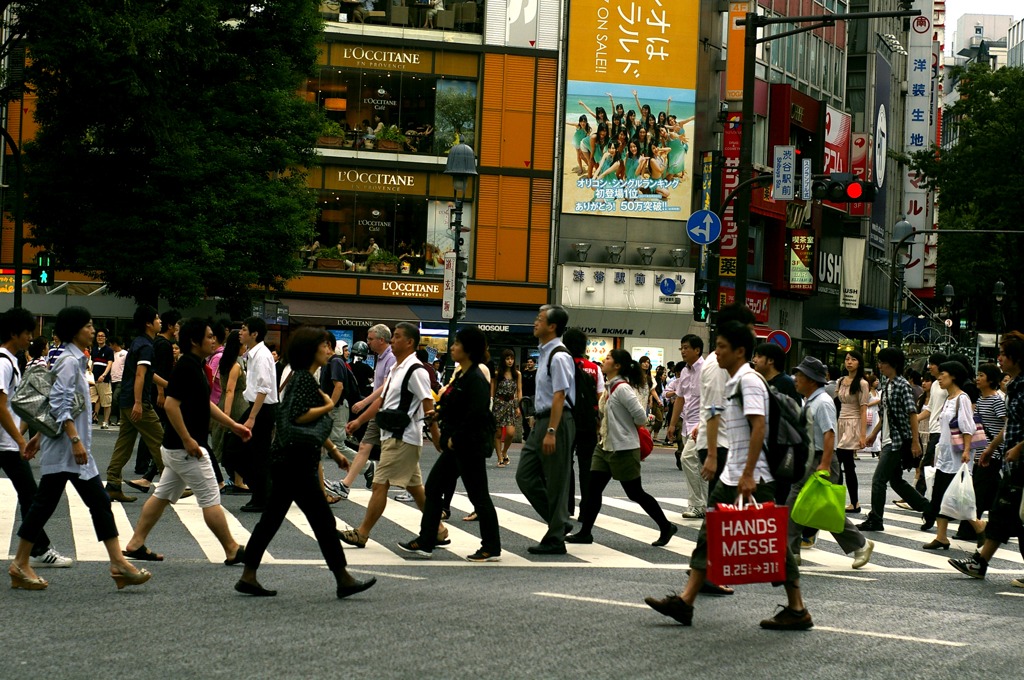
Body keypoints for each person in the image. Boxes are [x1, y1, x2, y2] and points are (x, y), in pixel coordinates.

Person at [645, 321, 811, 629]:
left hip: (753, 476)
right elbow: (721, 418)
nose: (716, 352)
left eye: (722, 347)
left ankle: (798, 608)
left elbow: (758, 426)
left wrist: (748, 474)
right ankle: (686, 601)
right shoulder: (735, 380)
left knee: (771, 541)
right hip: (733, 473)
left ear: (740, 351)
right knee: (709, 535)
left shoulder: (748, 380)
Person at [8, 307, 151, 591]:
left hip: (70, 450)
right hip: (68, 452)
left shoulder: (75, 359)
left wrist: (40, 438)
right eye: (88, 325)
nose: (92, 329)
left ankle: (118, 563)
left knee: (91, 503)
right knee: (46, 506)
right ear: (75, 330)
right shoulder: (69, 362)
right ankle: (21, 563)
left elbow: (58, 405)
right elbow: (60, 402)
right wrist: (73, 440)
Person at [236, 326, 376, 599]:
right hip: (296, 463)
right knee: (321, 521)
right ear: (311, 350)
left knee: (273, 520)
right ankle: (343, 578)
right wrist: (326, 406)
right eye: (325, 345)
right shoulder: (303, 380)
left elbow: (299, 420)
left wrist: (334, 451)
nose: (329, 350)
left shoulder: (304, 377)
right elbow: (298, 418)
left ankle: (248, 574)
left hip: (290, 461)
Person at [120, 319, 253, 563]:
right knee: (211, 499)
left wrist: (233, 425)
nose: (214, 340)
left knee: (161, 496)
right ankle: (232, 549)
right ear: (195, 341)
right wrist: (188, 439)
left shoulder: (196, 365)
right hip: (186, 450)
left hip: (176, 450)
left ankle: (136, 543)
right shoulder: (187, 367)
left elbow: (205, 404)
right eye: (210, 336)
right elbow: (171, 405)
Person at [398, 327, 502, 561]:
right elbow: (453, 404)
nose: (452, 347)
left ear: (468, 349)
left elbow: (476, 414)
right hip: (456, 446)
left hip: (468, 446)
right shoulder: (462, 375)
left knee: (478, 495)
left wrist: (456, 435)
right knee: (434, 488)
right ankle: (426, 541)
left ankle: (491, 547)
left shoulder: (476, 378)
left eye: (457, 344)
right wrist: (438, 414)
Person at [339, 323, 442, 548]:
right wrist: (359, 421)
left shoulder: (417, 370)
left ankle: (362, 533)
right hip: (392, 435)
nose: (392, 340)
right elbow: (382, 400)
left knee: (379, 484)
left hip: (403, 437)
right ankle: (439, 530)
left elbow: (428, 404)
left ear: (410, 343)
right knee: (415, 488)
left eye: (396, 337)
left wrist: (436, 438)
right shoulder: (397, 368)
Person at [566, 349, 676, 547]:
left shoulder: (623, 389)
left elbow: (642, 417)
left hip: (624, 448)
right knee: (593, 489)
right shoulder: (610, 386)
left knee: (635, 492)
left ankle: (666, 526)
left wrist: (625, 428)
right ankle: (585, 532)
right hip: (605, 446)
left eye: (608, 358)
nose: (604, 360)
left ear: (617, 366)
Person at [948, 332, 1024, 582]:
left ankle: (980, 562)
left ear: (1015, 358)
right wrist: (992, 448)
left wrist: (1019, 448)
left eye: (1003, 354)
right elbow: (1011, 424)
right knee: (1002, 514)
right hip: (1012, 464)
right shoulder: (1015, 385)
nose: (999, 358)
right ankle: (980, 563)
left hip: (1021, 462)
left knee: (1018, 517)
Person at [0, 308, 73, 569]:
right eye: (27, 333)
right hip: (5, 444)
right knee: (31, 495)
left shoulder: (12, 361)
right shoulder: (3, 362)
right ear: (13, 333)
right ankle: (39, 548)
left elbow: (16, 406)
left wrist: (22, 435)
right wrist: (19, 440)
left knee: (29, 495)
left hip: (7, 441)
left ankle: (37, 548)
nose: (30, 338)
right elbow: (0, 406)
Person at [787, 356, 874, 569]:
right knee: (802, 506)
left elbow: (829, 434)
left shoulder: (823, 402)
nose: (796, 379)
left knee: (815, 508)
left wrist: (824, 464)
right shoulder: (811, 401)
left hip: (821, 459)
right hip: (811, 458)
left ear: (812, 380)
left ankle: (861, 544)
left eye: (800, 375)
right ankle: (791, 552)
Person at [515, 304, 576, 555]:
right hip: (542, 420)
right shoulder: (545, 353)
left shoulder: (559, 355)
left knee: (557, 481)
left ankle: (555, 537)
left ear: (552, 326)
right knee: (525, 475)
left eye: (539, 319)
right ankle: (559, 523)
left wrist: (551, 430)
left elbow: (560, 395)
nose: (535, 323)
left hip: (556, 422)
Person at [858, 348, 934, 532]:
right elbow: (885, 416)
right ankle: (929, 508)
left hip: (897, 442)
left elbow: (912, 413)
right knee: (896, 480)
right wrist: (874, 434)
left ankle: (876, 519)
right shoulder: (889, 385)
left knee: (878, 480)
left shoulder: (902, 385)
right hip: (888, 439)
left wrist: (915, 441)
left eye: (883, 362)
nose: (880, 366)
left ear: (893, 364)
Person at [921, 360, 988, 550]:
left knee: (958, 496)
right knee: (941, 496)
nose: (939, 378)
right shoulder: (948, 399)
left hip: (958, 457)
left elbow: (968, 426)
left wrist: (967, 450)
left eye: (943, 374)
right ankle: (941, 537)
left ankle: (978, 524)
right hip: (945, 456)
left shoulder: (962, 398)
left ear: (954, 377)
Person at [105, 305, 165, 503]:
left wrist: (168, 385)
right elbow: (140, 374)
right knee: (160, 440)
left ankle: (113, 483)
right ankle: (170, 485)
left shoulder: (138, 343)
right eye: (157, 319)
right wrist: (139, 402)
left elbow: (147, 373)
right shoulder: (147, 346)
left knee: (125, 442)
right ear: (148, 323)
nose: (160, 322)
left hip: (126, 400)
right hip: (137, 401)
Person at [339, 325, 396, 497]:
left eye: (370, 339)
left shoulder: (391, 358)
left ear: (381, 340)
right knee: (364, 446)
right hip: (378, 409)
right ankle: (345, 484)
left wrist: (364, 402)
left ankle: (410, 486)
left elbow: (386, 387)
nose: (367, 342)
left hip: (387, 410)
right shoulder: (380, 358)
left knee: (394, 451)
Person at [129, 309, 181, 491]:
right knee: (158, 433)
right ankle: (151, 472)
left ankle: (146, 474)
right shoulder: (162, 345)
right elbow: (154, 371)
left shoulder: (156, 342)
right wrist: (161, 391)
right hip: (160, 394)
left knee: (152, 431)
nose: (177, 329)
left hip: (157, 392)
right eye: (176, 325)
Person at [237, 316, 280, 513]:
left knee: (255, 454)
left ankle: (262, 496)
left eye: (244, 329)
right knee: (249, 453)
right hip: (257, 407)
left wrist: (252, 417)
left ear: (254, 334)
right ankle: (262, 494)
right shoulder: (253, 353)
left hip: (261, 409)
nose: (240, 332)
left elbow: (264, 388)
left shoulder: (262, 355)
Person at [562, 329, 603, 518]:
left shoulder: (563, 365)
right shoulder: (593, 368)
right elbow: (600, 397)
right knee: (587, 466)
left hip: (567, 420)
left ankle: (567, 506)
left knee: (565, 464)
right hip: (588, 422)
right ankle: (586, 508)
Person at [667, 334, 705, 519]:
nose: (682, 351)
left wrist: (703, 423)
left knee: (687, 458)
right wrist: (672, 424)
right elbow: (680, 399)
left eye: (686, 347)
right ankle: (703, 504)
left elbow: (712, 400)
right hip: (687, 424)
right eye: (681, 347)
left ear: (697, 350)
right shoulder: (685, 372)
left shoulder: (706, 370)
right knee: (698, 465)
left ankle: (698, 504)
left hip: (702, 425)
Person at [835, 350, 869, 513]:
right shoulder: (841, 381)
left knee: (841, 461)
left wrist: (863, 435)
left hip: (853, 423)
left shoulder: (862, 383)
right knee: (846, 464)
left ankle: (848, 501)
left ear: (859, 363)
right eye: (847, 359)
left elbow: (863, 410)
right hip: (840, 422)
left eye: (853, 359)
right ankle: (853, 502)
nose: (849, 362)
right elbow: (837, 404)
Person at [216, 330, 250, 494]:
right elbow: (230, 390)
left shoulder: (224, 361)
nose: (246, 347)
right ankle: (238, 480)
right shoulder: (236, 365)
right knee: (239, 443)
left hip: (223, 401)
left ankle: (237, 479)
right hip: (236, 405)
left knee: (229, 443)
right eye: (244, 344)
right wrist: (227, 415)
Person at [916, 354, 949, 496]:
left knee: (928, 463)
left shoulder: (947, 385)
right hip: (933, 430)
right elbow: (930, 409)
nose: (929, 367)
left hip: (943, 431)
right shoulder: (936, 384)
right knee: (929, 463)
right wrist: (915, 419)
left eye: (932, 364)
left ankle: (918, 496)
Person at [491, 348, 522, 468]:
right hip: (499, 403)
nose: (510, 361)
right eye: (507, 359)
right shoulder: (497, 373)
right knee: (498, 433)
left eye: (512, 358)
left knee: (510, 433)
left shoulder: (517, 374)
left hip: (510, 404)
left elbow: (519, 391)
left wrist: (518, 406)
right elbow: (492, 391)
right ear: (503, 360)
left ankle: (504, 451)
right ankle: (499, 457)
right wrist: (491, 403)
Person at [91, 329, 115, 429]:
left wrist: (104, 375)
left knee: (106, 402)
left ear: (105, 338)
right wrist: (90, 375)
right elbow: (92, 363)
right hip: (93, 380)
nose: (100, 337)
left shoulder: (109, 350)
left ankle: (105, 421)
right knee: (91, 399)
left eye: (102, 336)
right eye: (98, 336)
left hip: (104, 380)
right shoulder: (94, 349)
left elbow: (110, 364)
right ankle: (93, 418)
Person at [108, 336, 127, 427]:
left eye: (111, 344)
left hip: (121, 380)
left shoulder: (125, 353)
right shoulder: (111, 354)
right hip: (112, 379)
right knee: (113, 400)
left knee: (116, 398)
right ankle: (116, 418)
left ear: (115, 344)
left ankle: (120, 418)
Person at [520, 356, 537, 440]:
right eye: (528, 362)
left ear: (534, 363)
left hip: (533, 395)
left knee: (532, 414)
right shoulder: (524, 373)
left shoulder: (537, 372)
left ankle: (531, 431)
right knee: (524, 414)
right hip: (524, 396)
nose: (529, 363)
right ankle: (526, 432)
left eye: (531, 362)